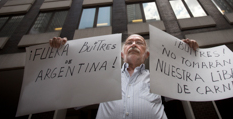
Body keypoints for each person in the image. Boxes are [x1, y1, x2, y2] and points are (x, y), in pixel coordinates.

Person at [49, 34, 199, 119]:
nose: (133, 44)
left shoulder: (160, 76)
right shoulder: (101, 76)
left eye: (139, 42)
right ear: (122, 54)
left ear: (146, 55)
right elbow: (69, 94)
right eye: (129, 42)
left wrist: (188, 53)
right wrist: (61, 52)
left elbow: (190, 85)